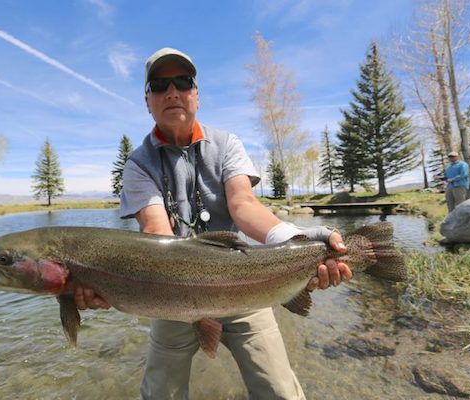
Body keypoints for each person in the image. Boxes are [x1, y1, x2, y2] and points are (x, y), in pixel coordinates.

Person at [73, 48, 352, 400]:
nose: (172, 92)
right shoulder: (138, 164)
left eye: (182, 82)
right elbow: (156, 233)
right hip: (169, 296)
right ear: (148, 101)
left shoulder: (227, 144)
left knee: (280, 392)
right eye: (160, 85)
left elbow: (243, 206)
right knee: (160, 394)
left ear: (196, 95)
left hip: (242, 285)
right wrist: (105, 283)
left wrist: (295, 238)